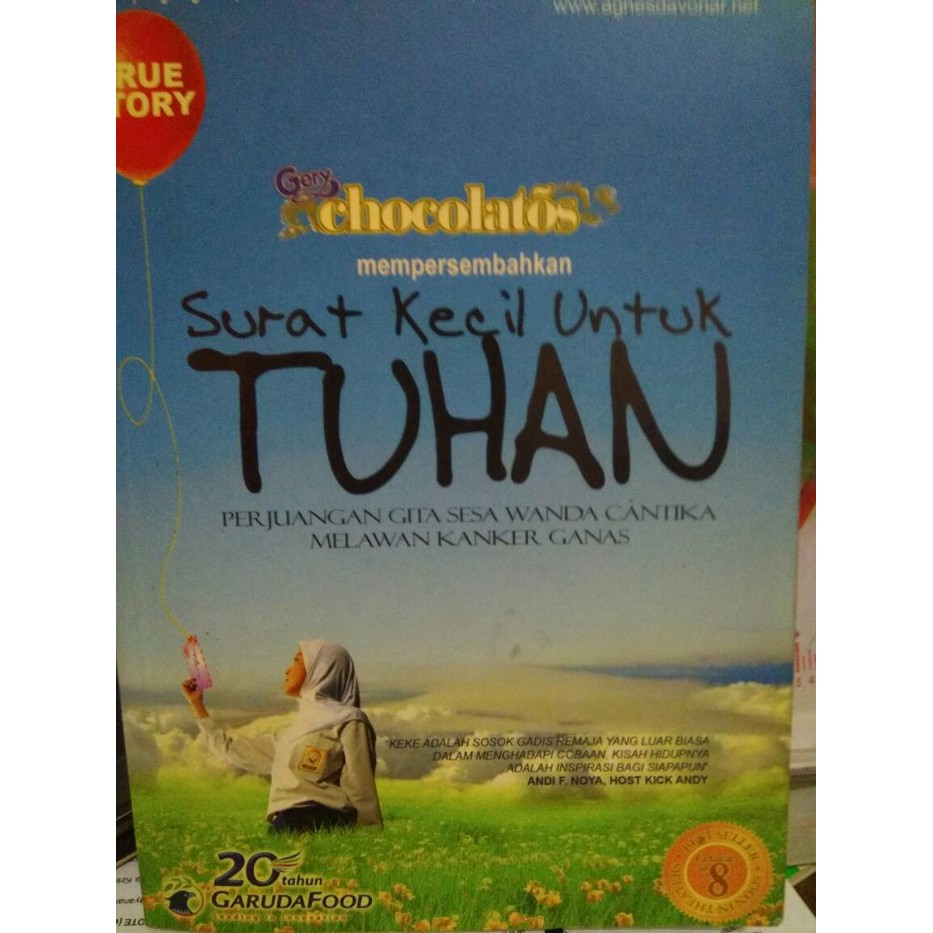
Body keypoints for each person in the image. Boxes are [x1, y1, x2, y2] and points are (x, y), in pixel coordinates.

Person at [182, 639, 383, 833]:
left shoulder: (350, 720)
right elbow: (230, 750)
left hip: (324, 822)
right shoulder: (291, 734)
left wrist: (369, 836)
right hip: (283, 825)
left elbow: (361, 786)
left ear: (320, 668)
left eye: (296, 661)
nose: (287, 670)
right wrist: (197, 705)